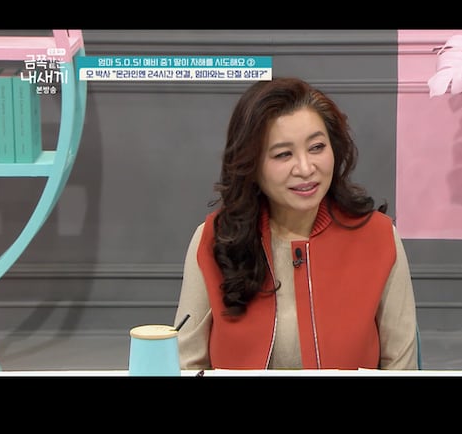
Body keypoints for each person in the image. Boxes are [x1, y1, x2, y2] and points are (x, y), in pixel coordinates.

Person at [174, 77, 419, 370]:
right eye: (283, 154)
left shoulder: (378, 238)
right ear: (251, 165)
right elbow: (186, 366)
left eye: (316, 147)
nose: (305, 168)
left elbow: (401, 368)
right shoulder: (215, 240)